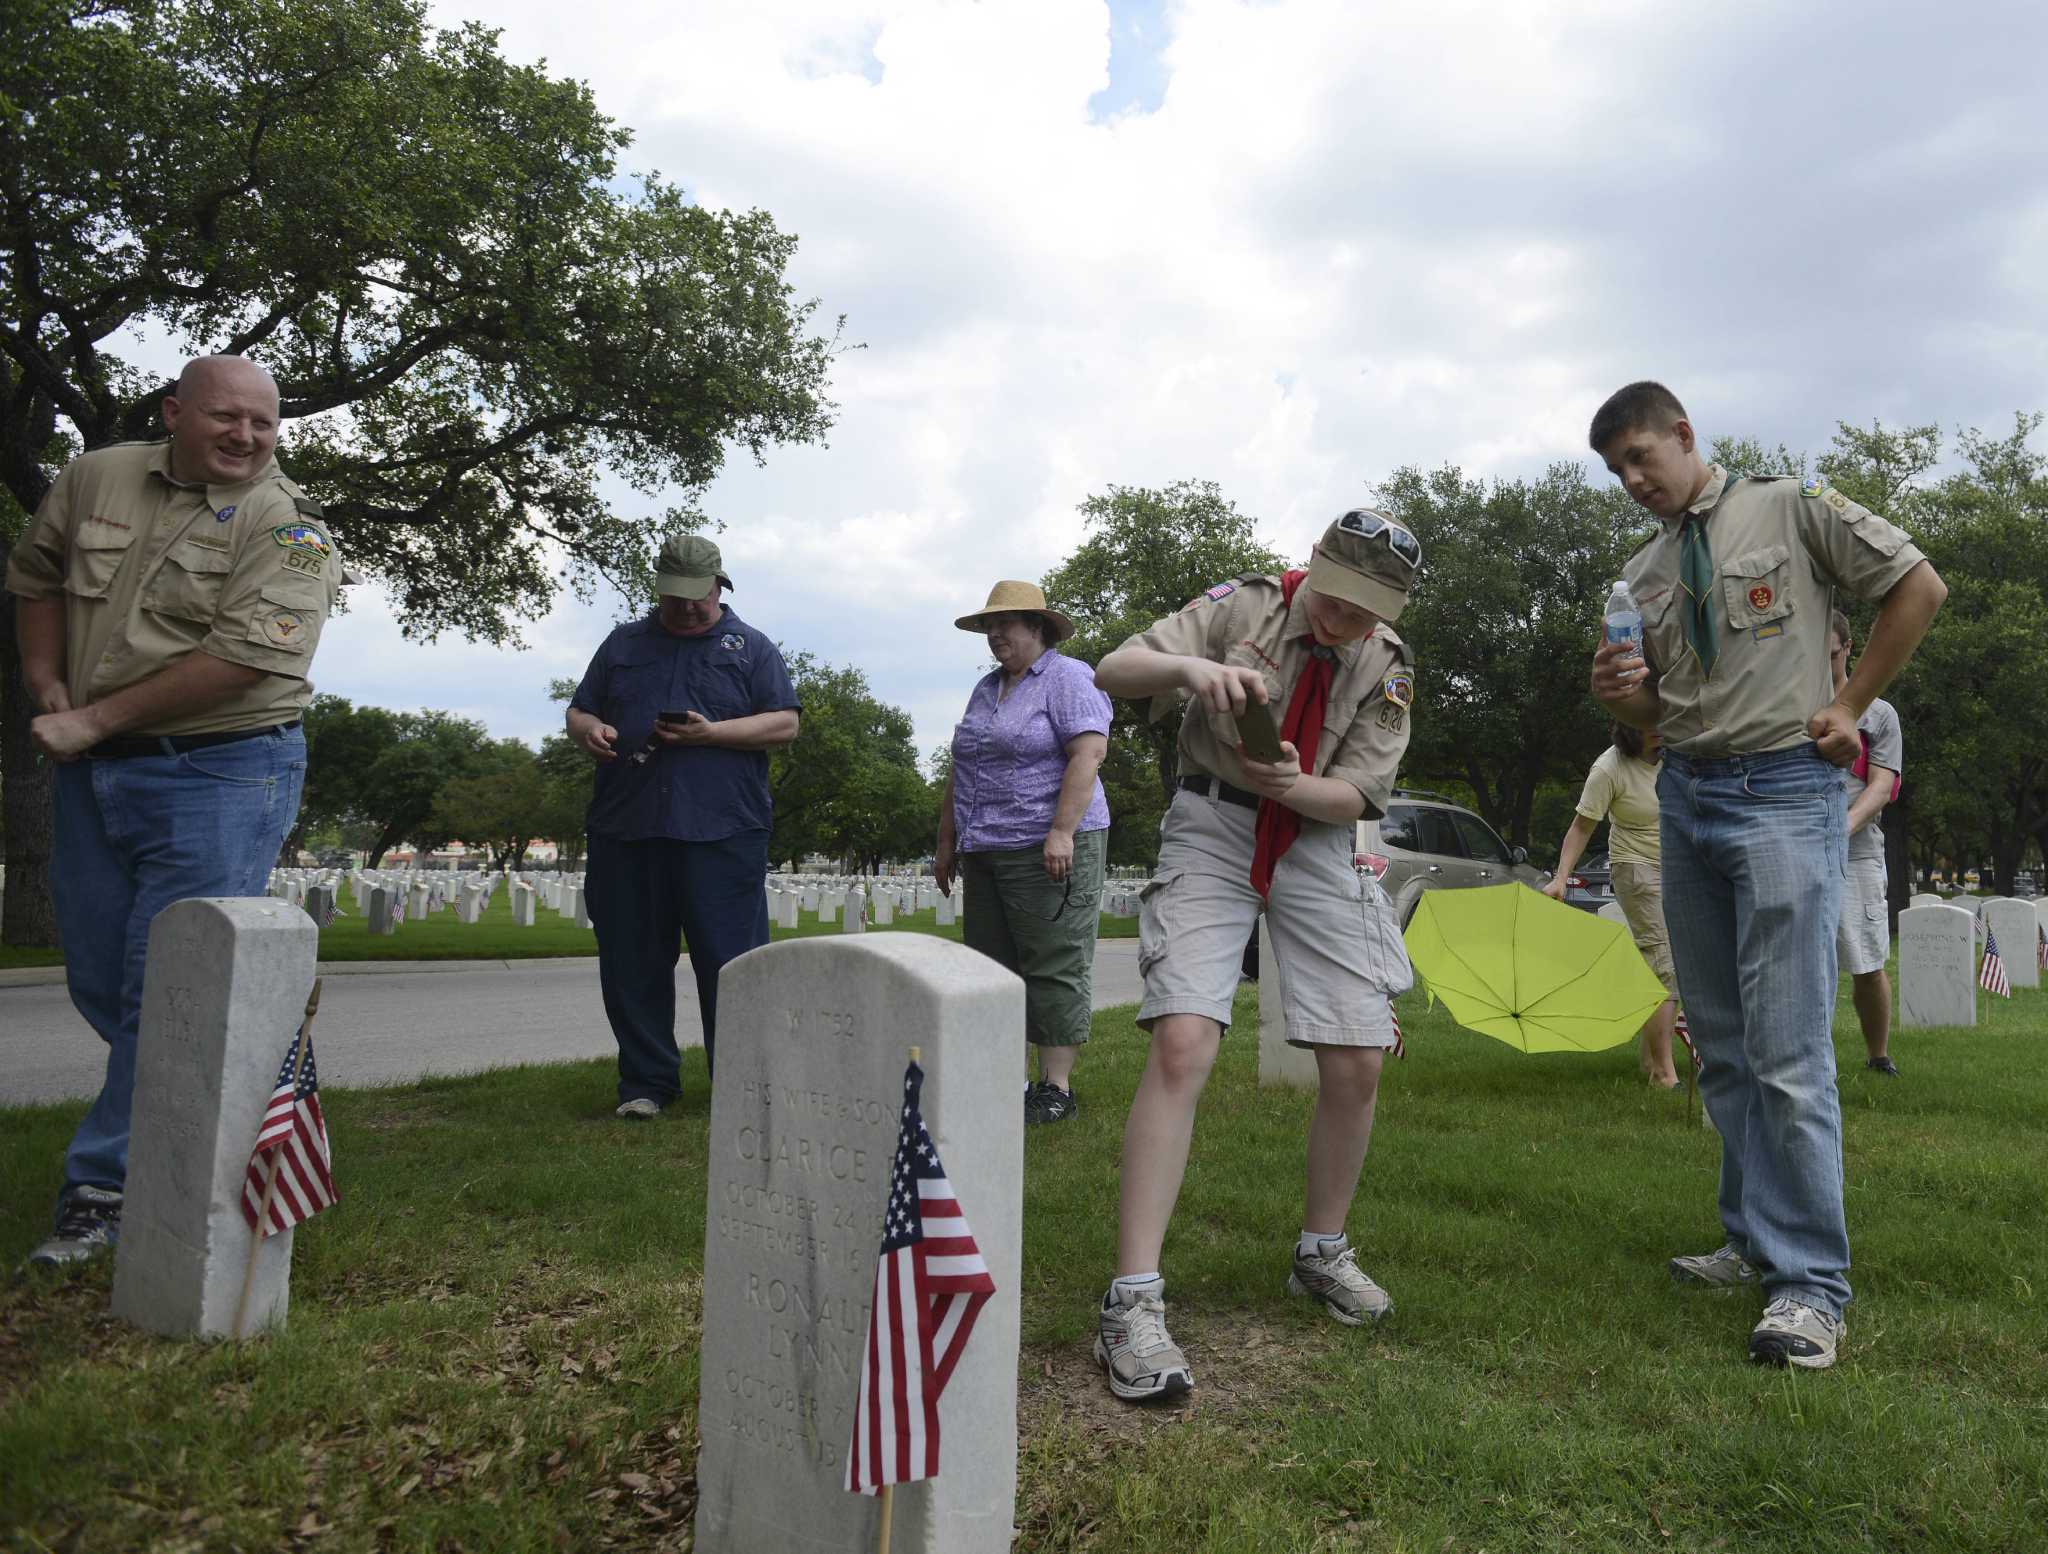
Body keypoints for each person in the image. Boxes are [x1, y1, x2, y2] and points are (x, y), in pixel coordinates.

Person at [1589, 382, 1945, 1369]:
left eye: (1638, 457)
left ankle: (1808, 1290)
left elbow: (1917, 585)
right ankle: (1750, 1242)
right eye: (1614, 470)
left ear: (1682, 436)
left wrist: (1849, 699)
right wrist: (1624, 692)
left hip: (1785, 788)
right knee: (1728, 1050)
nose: (1630, 480)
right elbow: (1665, 701)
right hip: (1686, 796)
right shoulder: (1641, 570)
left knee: (1787, 1051)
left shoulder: (1788, 508)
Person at [7, 355, 342, 1269]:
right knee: (101, 976)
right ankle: (217, 1104)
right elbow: (34, 578)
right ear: (174, 413)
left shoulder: (293, 529)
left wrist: (92, 717)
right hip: (91, 767)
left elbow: (249, 660)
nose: (245, 437)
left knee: (168, 984)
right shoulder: (95, 477)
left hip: (224, 771)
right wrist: (45, 685)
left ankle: (104, 1190)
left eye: (264, 425)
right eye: (226, 418)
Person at [1089, 510, 1419, 1404]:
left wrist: (1298, 786)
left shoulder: (1388, 664)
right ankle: (1132, 1300)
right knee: (1184, 1041)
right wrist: (1193, 668)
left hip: (1313, 836)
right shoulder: (1245, 604)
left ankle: (1321, 1251)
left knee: (1355, 1059)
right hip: (1213, 822)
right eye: (1340, 601)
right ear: (1312, 566)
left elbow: (1359, 791)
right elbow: (1115, 668)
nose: (1348, 623)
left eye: (1371, 609)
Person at [565, 535, 799, 1116]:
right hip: (629, 826)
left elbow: (785, 724)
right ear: (659, 589)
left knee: (734, 966)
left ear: (720, 586)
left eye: (699, 597)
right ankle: (646, 1085)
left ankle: (742, 1086)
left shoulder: (751, 648)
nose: (689, 608)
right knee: (633, 963)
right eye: (676, 599)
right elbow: (579, 708)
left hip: (722, 831)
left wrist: (711, 733)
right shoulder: (623, 644)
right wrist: (587, 729)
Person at [936, 581, 1112, 1125]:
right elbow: (963, 768)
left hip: (1048, 846)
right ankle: (1002, 1082)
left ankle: (1055, 1087)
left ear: (1037, 628)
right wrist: (946, 842)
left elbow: (1089, 752)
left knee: (1052, 961)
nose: (994, 636)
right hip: (985, 845)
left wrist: (1061, 831)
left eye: (1004, 625)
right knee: (991, 968)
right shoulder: (986, 689)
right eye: (988, 627)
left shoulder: (1067, 677)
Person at [1543, 724, 1681, 1087]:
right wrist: (1561, 877)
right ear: (1627, 726)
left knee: (1675, 962)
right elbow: (1582, 827)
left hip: (1681, 867)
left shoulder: (1679, 754)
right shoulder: (1610, 768)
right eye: (1647, 721)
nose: (1659, 727)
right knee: (1665, 963)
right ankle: (1664, 1073)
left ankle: (1651, 1058)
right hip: (1635, 868)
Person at [1829, 608, 1903, 1077]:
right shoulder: (1792, 704)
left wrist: (1838, 830)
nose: (1823, 658)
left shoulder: (1877, 713)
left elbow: (1881, 787)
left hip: (1854, 852)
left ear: (1849, 648)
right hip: (1796, 847)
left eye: (1831, 651)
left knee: (1866, 961)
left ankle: (1878, 1055)